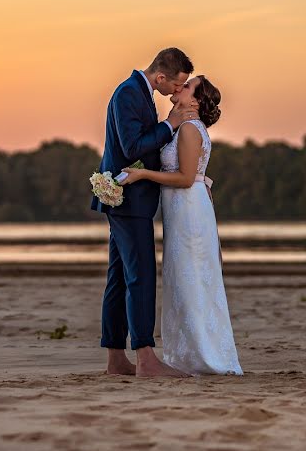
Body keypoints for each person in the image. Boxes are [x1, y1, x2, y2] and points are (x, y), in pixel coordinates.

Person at [121, 75, 243, 376]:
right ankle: (188, 353)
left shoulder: (189, 129)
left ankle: (204, 356)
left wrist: (142, 175)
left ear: (196, 101)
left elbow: (187, 178)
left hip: (189, 211)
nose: (180, 87)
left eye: (187, 86)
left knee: (192, 279)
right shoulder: (181, 127)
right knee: (184, 280)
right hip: (182, 211)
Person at [91, 47, 196, 377]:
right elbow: (132, 147)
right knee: (140, 277)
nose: (178, 92)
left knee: (120, 277)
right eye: (178, 85)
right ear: (161, 77)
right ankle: (146, 358)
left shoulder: (139, 92)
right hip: (128, 199)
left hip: (130, 200)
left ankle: (116, 359)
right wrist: (170, 124)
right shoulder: (127, 93)